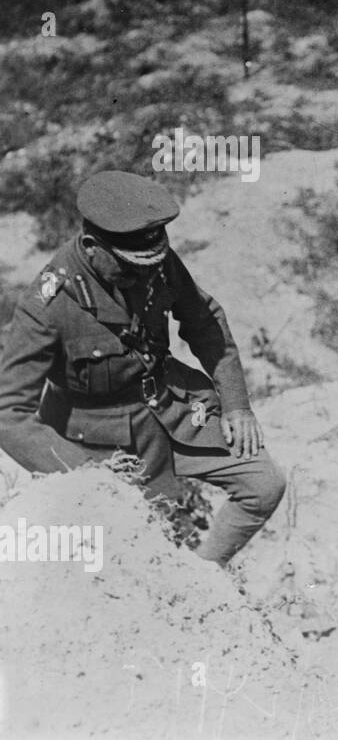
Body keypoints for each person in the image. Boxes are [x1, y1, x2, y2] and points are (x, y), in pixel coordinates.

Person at [0, 171, 285, 565]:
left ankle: (203, 577)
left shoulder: (150, 260)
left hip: (170, 411)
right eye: (132, 269)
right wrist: (82, 476)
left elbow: (204, 320)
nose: (147, 275)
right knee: (140, 545)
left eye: (152, 265)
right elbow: (8, 413)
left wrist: (236, 404)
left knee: (263, 484)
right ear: (91, 247)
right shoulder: (47, 306)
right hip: (97, 444)